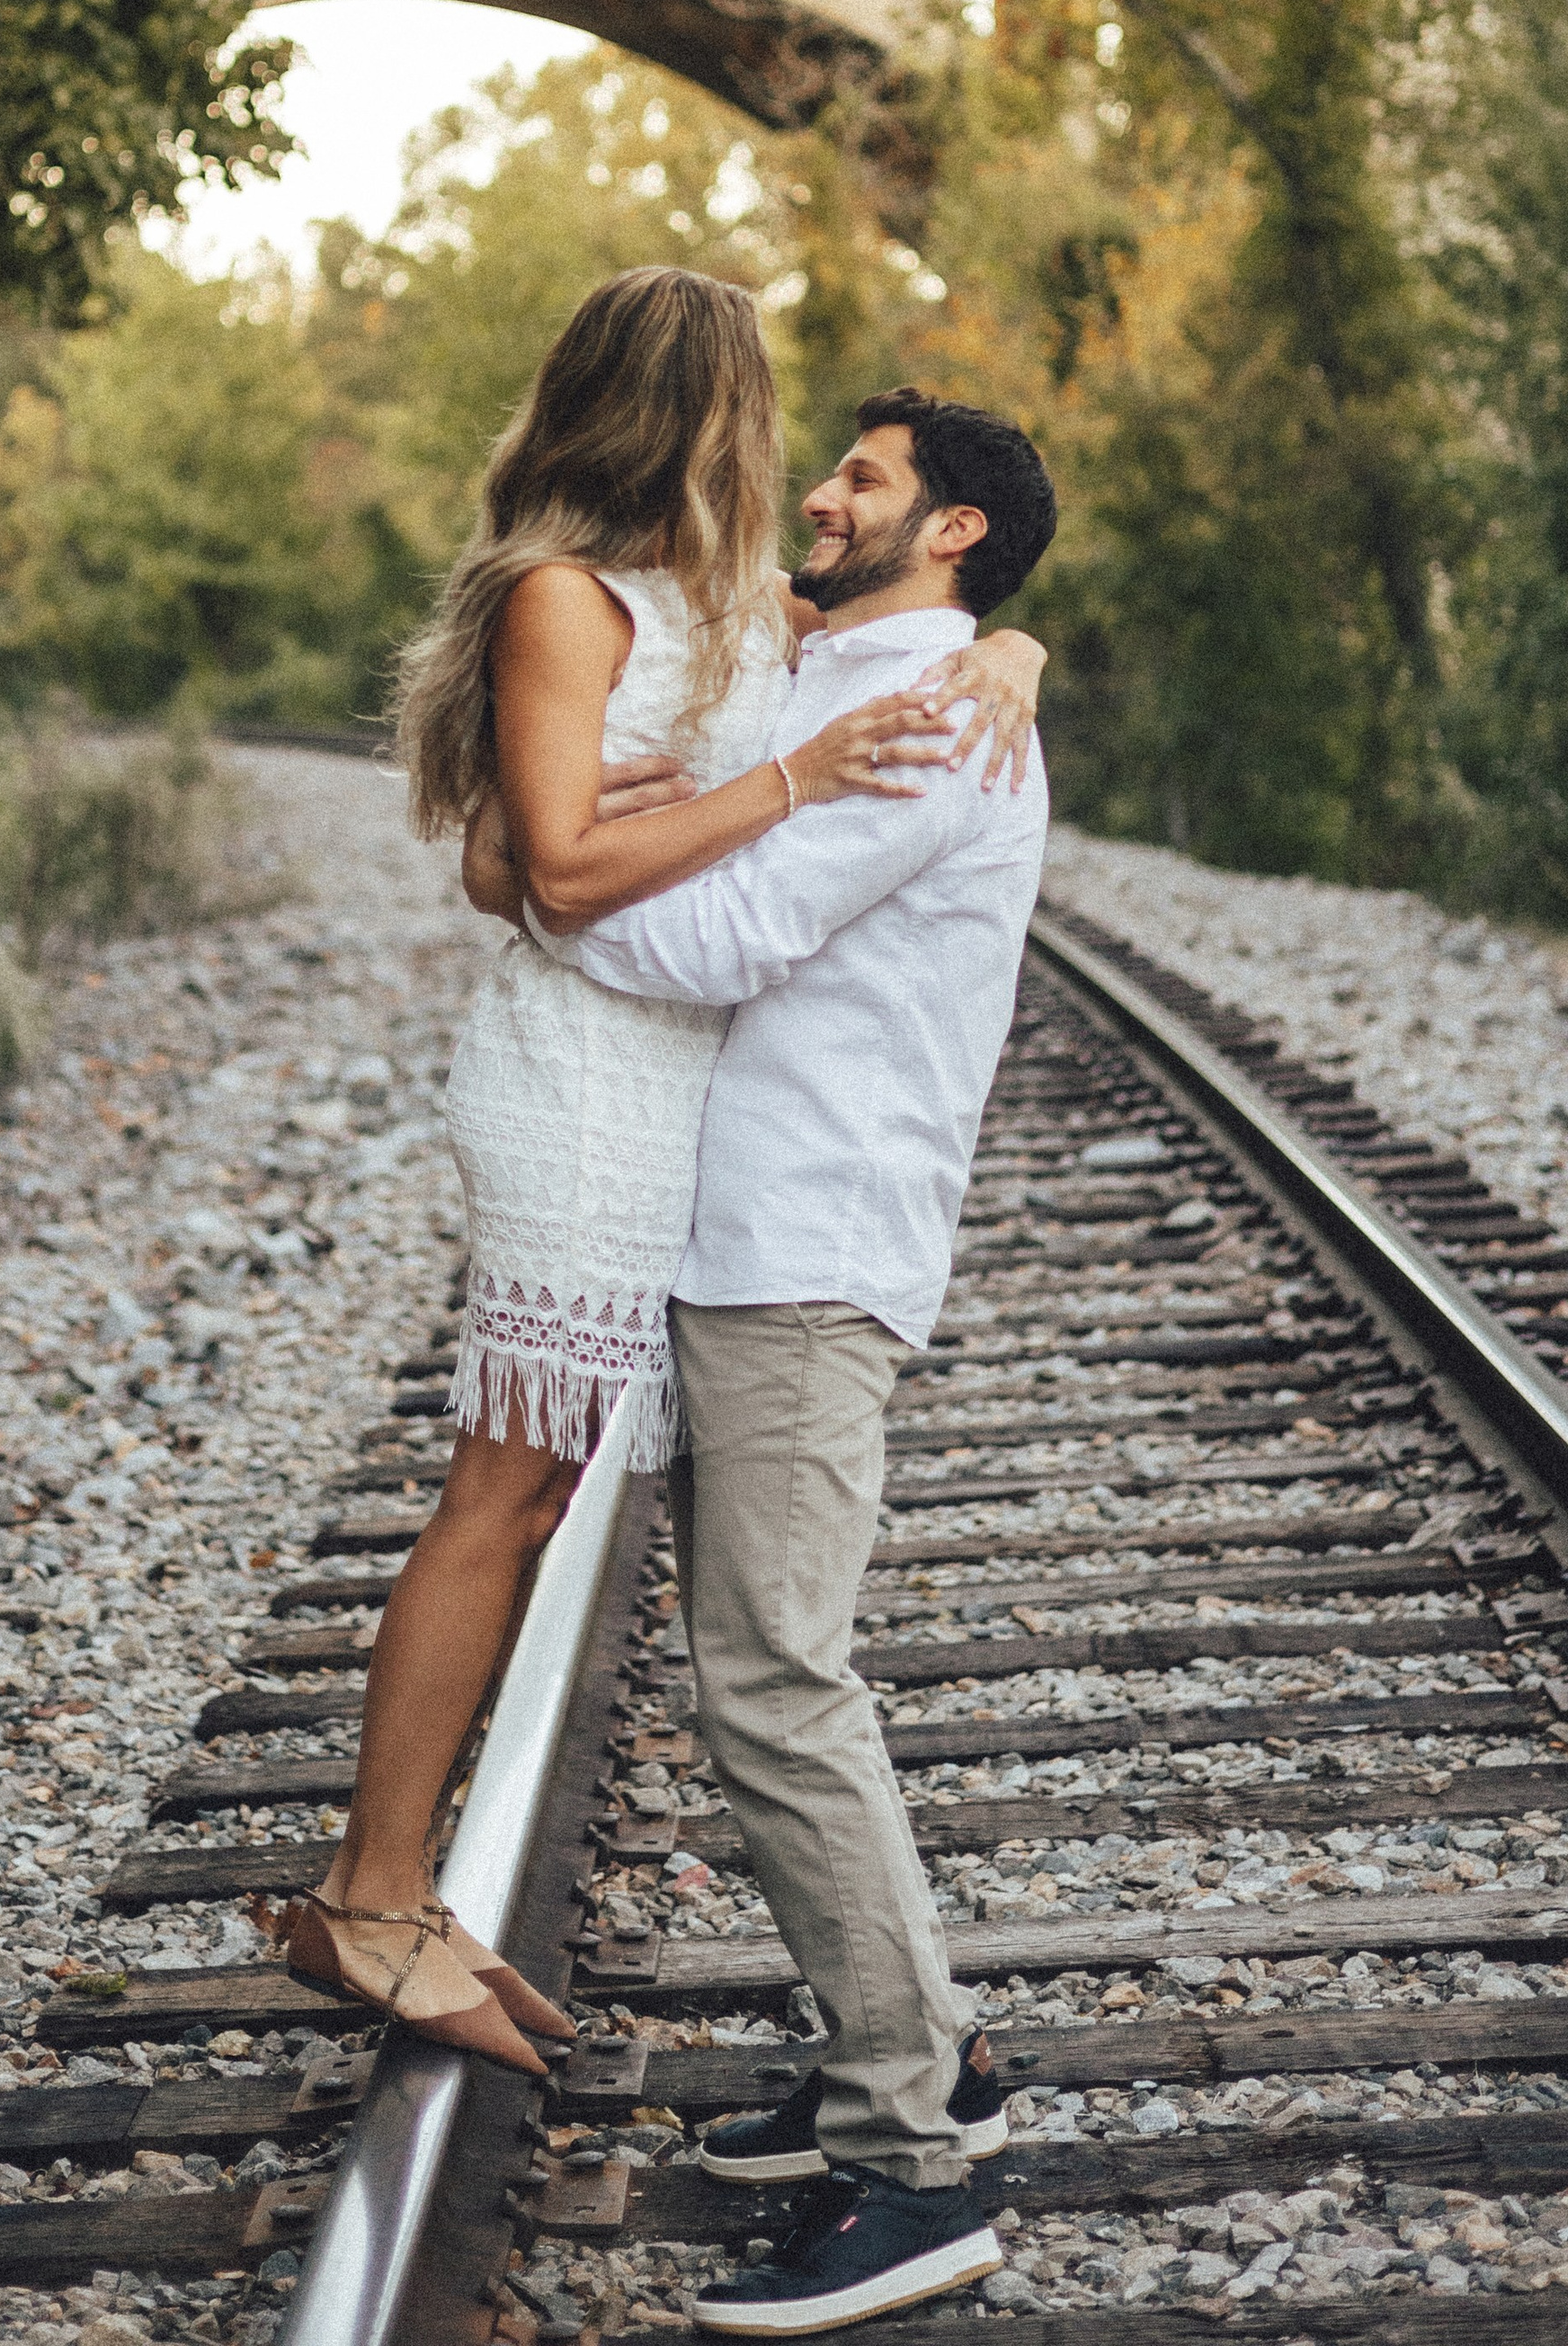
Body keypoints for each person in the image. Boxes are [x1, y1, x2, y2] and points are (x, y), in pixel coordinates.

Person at [272, 274, 1044, 2075]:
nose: (797, 465)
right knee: (507, 1479)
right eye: (763, 412)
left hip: (660, 1084)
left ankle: (395, 1893)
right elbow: (528, 867)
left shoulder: (735, 602)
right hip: (580, 1075)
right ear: (694, 413)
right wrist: (786, 784)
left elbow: (928, 616)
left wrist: (1013, 652)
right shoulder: (564, 595)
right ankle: (372, 1892)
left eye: (851, 465)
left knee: (535, 1489)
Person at [516, 386, 1057, 2335]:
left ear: (952, 530)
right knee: (765, 1675)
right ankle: (921, 2071)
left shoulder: (932, 722)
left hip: (811, 1246)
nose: (818, 496)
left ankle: (916, 2164)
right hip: (754, 1234)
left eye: (863, 480)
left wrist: (552, 890)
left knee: (774, 1684)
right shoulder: (867, 670)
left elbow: (722, 935)